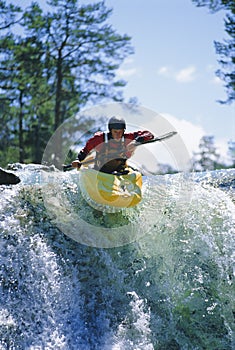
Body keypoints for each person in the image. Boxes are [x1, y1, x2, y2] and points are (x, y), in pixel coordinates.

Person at [72, 116, 154, 174]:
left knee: (136, 171)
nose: (118, 135)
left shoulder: (128, 138)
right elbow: (85, 151)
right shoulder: (99, 139)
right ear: (110, 131)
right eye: (115, 132)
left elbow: (149, 134)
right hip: (99, 171)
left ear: (123, 130)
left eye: (120, 132)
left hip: (120, 171)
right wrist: (77, 160)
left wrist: (136, 141)